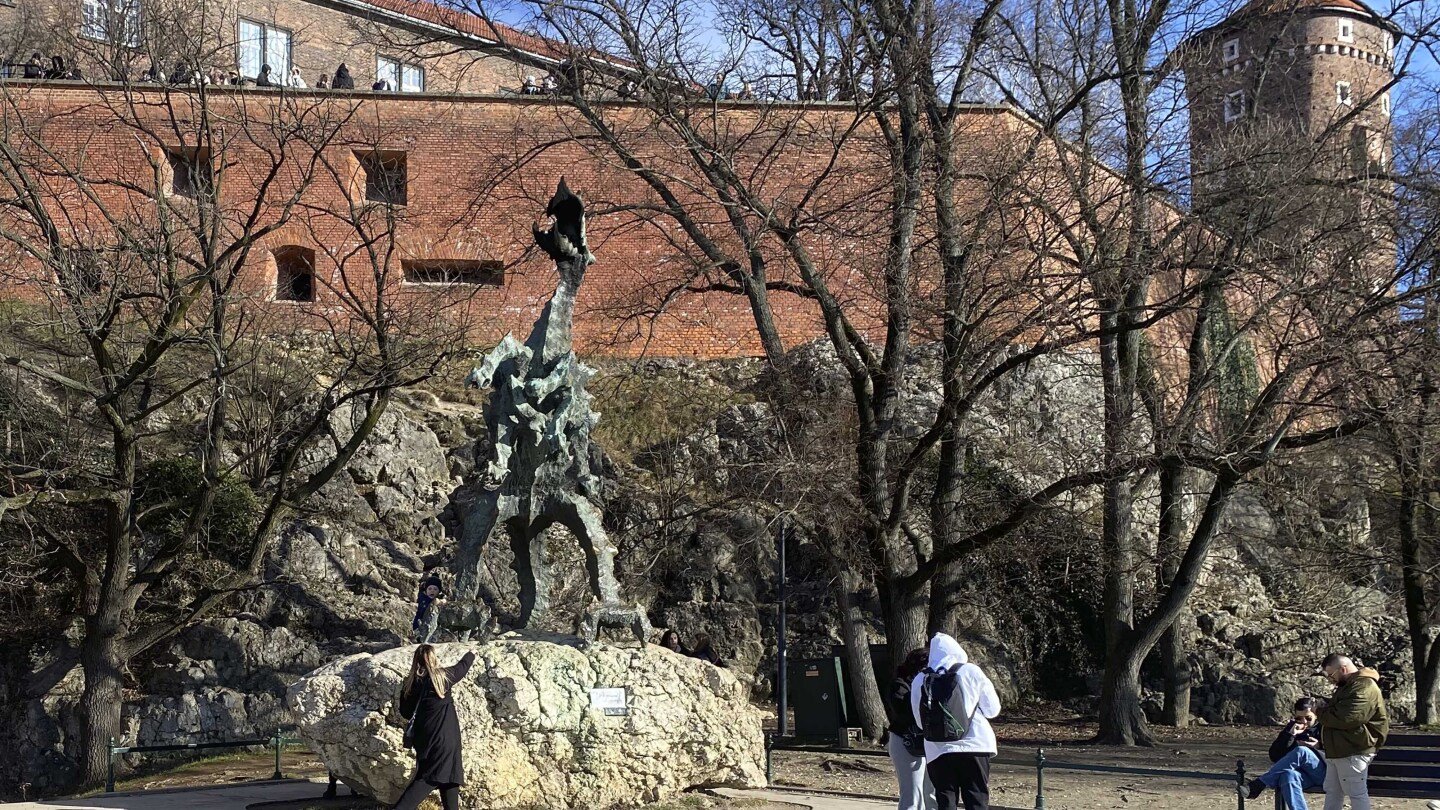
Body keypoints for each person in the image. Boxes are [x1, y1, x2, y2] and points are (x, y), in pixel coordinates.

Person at [910, 633, 1001, 810]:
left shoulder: (920, 679)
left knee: (945, 800)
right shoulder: (971, 671)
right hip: (975, 745)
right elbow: (992, 710)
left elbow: (920, 722)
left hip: (938, 749)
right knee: (977, 799)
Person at [395, 645, 476, 810]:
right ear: (433, 658)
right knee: (427, 778)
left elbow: (405, 713)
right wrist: (471, 653)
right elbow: (462, 667)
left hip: (425, 741)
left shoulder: (410, 684)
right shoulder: (442, 678)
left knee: (450, 781)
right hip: (445, 742)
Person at [1317, 654, 1389, 810]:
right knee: (1333, 791)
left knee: (1356, 793)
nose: (1330, 679)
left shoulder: (1364, 686)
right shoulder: (1349, 685)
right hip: (1340, 748)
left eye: (1331, 675)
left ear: (1343, 669)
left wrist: (1319, 711)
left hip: (1354, 748)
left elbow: (1346, 718)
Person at [1242, 697, 1326, 807]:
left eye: (1308, 718)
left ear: (1316, 715)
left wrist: (1319, 746)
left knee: (1302, 751)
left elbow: (1339, 750)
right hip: (1303, 776)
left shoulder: (1324, 727)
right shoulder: (1292, 728)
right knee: (1287, 775)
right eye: (1299, 718)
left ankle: (1260, 784)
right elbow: (1274, 756)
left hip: (1324, 774)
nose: (1304, 721)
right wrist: (1290, 735)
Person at [888, 648, 936, 810]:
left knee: (932, 794)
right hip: (906, 741)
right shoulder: (899, 685)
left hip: (929, 742)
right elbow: (905, 712)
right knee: (913, 795)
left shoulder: (933, 684)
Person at [412, 576, 445, 644]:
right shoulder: (423, 600)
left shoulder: (439, 600)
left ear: (439, 591)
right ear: (426, 590)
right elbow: (419, 616)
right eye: (429, 589)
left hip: (435, 629)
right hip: (422, 627)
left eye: (435, 589)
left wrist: (442, 601)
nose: (432, 591)